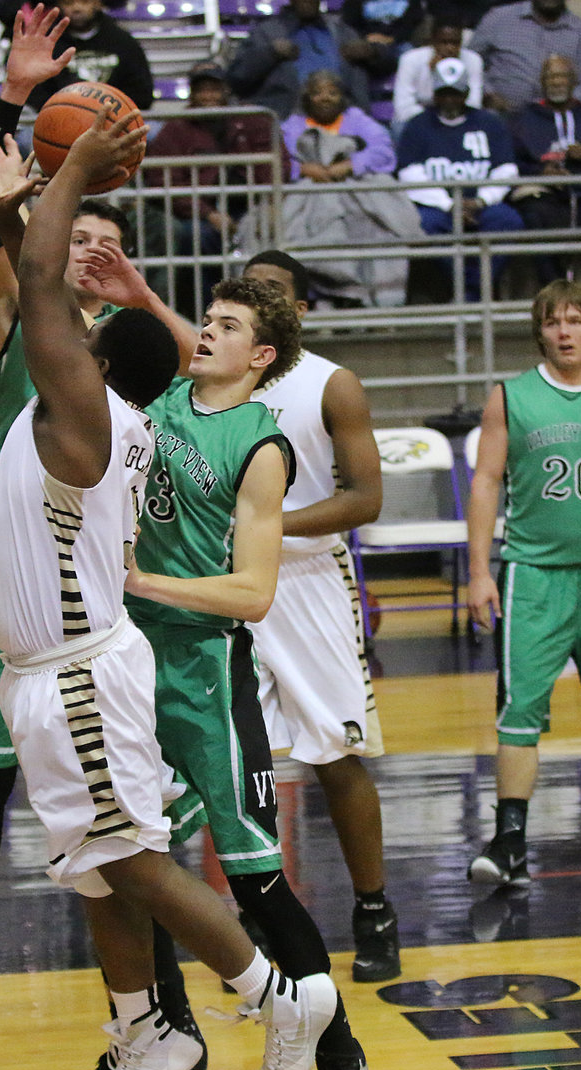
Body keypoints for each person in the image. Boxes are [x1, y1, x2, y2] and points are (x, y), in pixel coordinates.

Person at [0, 105, 339, 1070]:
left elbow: (46, 295)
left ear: (90, 367)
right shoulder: (89, 408)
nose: (65, 333)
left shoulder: (80, 421)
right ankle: (146, 1029)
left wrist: (73, 176)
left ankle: (277, 994)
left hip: (78, 673)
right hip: (51, 671)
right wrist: (17, 212)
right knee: (95, 867)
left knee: (129, 859)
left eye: (82, 339)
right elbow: (37, 293)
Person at [0, 4, 202, 1070]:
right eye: (71, 237)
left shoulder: (129, 358)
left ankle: (161, 1009)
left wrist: (139, 290)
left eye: (103, 242)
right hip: (14, 597)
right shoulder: (18, 325)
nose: (85, 250)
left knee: (127, 821)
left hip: (104, 607)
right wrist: (18, 97)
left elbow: (218, 374)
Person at [70, 244, 378, 1070]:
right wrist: (133, 293)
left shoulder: (263, 445)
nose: (207, 332)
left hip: (207, 667)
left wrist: (144, 582)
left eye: (229, 326)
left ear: (264, 359)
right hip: (132, 666)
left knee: (257, 885)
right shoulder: (161, 400)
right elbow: (170, 341)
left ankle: (343, 1062)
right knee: (120, 863)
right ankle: (161, 1031)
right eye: (205, 320)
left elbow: (253, 593)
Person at [238, 248, 399, 983]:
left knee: (338, 753)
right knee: (242, 765)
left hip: (307, 581)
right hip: (234, 584)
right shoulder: (211, 381)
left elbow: (365, 498)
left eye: (272, 292)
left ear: (300, 311)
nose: (257, 301)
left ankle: (373, 910)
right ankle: (265, 918)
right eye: (247, 292)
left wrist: (271, 525)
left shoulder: (332, 382)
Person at [466, 277, 581, 888]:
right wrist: (480, 570)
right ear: (539, 330)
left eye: (575, 319)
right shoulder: (511, 396)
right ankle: (509, 842)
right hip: (534, 574)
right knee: (520, 714)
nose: (565, 332)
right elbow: (486, 483)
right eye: (553, 321)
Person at [142, 58, 284, 315]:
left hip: (252, 204)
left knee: (269, 231)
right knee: (195, 236)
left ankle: (265, 313)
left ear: (226, 90)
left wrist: (270, 202)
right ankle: (208, 311)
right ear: (192, 93)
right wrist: (208, 213)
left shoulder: (252, 119)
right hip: (202, 212)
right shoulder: (175, 129)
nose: (208, 95)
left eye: (214, 88)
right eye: (202, 89)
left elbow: (277, 165)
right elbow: (163, 181)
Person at [277, 70, 422, 309]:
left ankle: (378, 303)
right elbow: (278, 161)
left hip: (355, 191)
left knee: (378, 227)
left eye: (332, 93)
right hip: (309, 194)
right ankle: (326, 294)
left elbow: (383, 151)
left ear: (342, 97)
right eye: (318, 93)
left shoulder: (357, 120)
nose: (325, 98)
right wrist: (303, 169)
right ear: (307, 98)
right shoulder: (291, 127)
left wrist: (350, 164)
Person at [397, 56, 524, 303]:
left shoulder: (489, 123)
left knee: (509, 220)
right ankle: (467, 287)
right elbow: (408, 173)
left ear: (466, 93)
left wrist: (480, 201)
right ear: (434, 94)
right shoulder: (418, 126)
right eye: (443, 93)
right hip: (437, 207)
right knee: (424, 225)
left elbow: (506, 169)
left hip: (482, 204)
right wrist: (450, 205)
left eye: (455, 93)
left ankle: (474, 291)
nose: (449, 99)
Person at [225, 0, 371, 121]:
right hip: (285, 122)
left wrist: (375, 52)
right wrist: (270, 53)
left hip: (344, 122)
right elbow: (237, 78)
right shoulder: (266, 32)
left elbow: (386, 63)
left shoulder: (343, 32)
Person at [508, 54, 581, 282]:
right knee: (533, 213)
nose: (556, 82)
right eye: (550, 77)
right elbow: (511, 162)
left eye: (562, 76)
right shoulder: (523, 118)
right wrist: (540, 173)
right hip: (543, 192)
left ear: (573, 80)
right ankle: (553, 285)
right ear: (541, 82)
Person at [18, 0, 154, 112]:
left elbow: (142, 93)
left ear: (98, 3)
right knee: (26, 138)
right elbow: (36, 93)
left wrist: (108, 108)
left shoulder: (123, 41)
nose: (76, 8)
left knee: (157, 133)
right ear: (59, 5)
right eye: (69, 3)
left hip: (115, 118)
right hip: (59, 118)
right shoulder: (47, 42)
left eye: (84, 2)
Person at [470, 0, 581, 115]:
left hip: (555, 122)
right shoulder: (499, 18)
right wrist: (487, 92)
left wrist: (566, 103)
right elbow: (470, 60)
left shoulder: (579, 30)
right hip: (500, 117)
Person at [392, 12, 484, 131]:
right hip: (420, 120)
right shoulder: (410, 59)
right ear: (433, 41)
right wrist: (434, 74)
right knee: (399, 126)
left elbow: (474, 104)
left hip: (458, 118)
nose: (450, 48)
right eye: (444, 42)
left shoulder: (473, 60)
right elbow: (403, 109)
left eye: (455, 43)